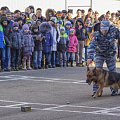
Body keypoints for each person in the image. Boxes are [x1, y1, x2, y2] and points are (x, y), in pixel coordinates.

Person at [87, 20, 120, 96]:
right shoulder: (96, 33)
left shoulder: (114, 30)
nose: (104, 32)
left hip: (110, 54)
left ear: (108, 28)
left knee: (112, 72)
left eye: (105, 30)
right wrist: (90, 57)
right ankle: (96, 91)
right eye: (102, 29)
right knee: (97, 71)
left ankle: (114, 90)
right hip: (99, 54)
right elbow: (91, 45)